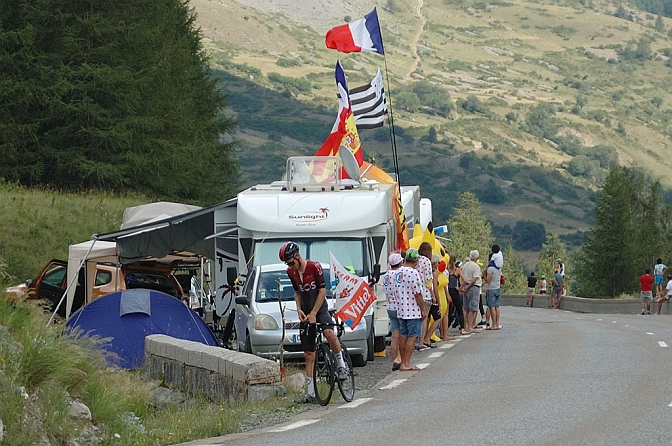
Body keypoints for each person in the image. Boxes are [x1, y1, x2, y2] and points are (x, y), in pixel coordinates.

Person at [279, 241, 347, 404]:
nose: (290, 266)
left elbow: (322, 291)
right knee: (308, 354)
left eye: (290, 262)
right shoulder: (291, 272)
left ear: (297, 256)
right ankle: (310, 392)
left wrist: (314, 313)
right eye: (287, 264)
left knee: (329, 333)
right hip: (306, 311)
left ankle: (341, 365)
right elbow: (297, 292)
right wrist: (299, 309)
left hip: (320, 308)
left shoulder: (314, 267)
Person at [397, 248, 426, 371]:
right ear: (415, 260)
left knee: (403, 335)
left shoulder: (398, 271)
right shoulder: (413, 273)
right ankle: (407, 363)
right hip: (412, 309)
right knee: (413, 336)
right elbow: (417, 293)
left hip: (400, 308)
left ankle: (403, 361)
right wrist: (423, 309)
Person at [383, 253, 404, 371]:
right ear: (400, 263)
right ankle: (400, 358)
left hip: (390, 306)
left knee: (395, 335)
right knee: (403, 335)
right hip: (400, 306)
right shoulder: (398, 275)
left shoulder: (386, 275)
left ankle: (394, 359)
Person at [416, 242, 435, 350]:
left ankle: (414, 340)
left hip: (414, 293)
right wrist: (433, 294)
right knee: (424, 318)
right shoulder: (426, 261)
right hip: (425, 294)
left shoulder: (415, 259)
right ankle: (421, 342)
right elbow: (428, 280)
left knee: (416, 318)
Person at [423, 254, 445, 347]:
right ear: (435, 263)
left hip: (426, 296)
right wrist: (437, 301)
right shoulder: (435, 273)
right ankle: (427, 337)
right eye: (438, 262)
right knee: (438, 317)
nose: (439, 264)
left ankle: (424, 338)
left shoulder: (427, 272)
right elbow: (435, 287)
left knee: (427, 319)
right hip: (432, 298)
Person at [460, 250, 482, 334]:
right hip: (473, 287)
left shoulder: (465, 265)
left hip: (465, 285)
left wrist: (463, 287)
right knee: (472, 308)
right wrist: (468, 288)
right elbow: (474, 279)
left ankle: (464, 326)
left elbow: (462, 277)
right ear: (477, 257)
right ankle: (470, 327)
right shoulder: (476, 266)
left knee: (466, 309)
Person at [483, 253, 502, 330]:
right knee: (497, 306)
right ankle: (497, 323)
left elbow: (488, 280)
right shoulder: (498, 268)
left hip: (491, 289)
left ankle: (494, 324)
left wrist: (484, 274)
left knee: (491, 307)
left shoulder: (490, 268)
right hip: (497, 288)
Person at [448, 258, 466, 335]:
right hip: (455, 291)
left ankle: (444, 330)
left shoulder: (447, 270)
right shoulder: (457, 270)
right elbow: (464, 280)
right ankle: (462, 329)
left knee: (448, 311)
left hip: (448, 290)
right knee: (459, 310)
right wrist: (460, 288)